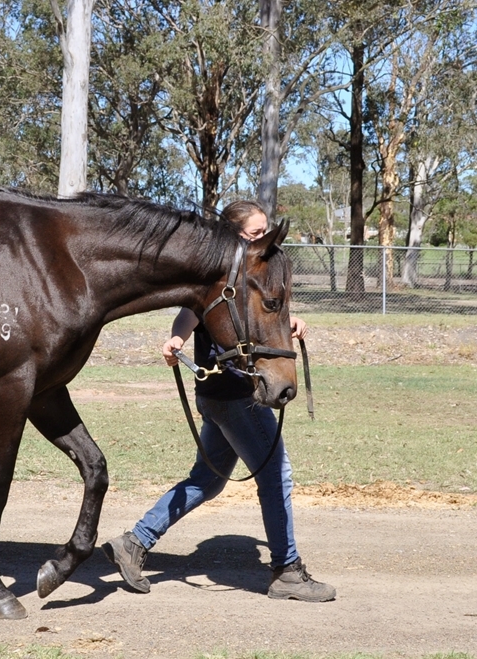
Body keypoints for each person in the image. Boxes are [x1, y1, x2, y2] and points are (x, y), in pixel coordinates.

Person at [102, 200, 336, 602]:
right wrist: (177, 338)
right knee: (275, 475)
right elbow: (190, 314)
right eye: (254, 233)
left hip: (220, 396)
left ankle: (133, 543)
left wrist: (288, 322)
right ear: (232, 235)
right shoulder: (218, 277)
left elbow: (263, 316)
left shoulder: (248, 275)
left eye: (265, 232)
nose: (263, 239)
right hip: (232, 395)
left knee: (206, 481)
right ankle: (287, 572)